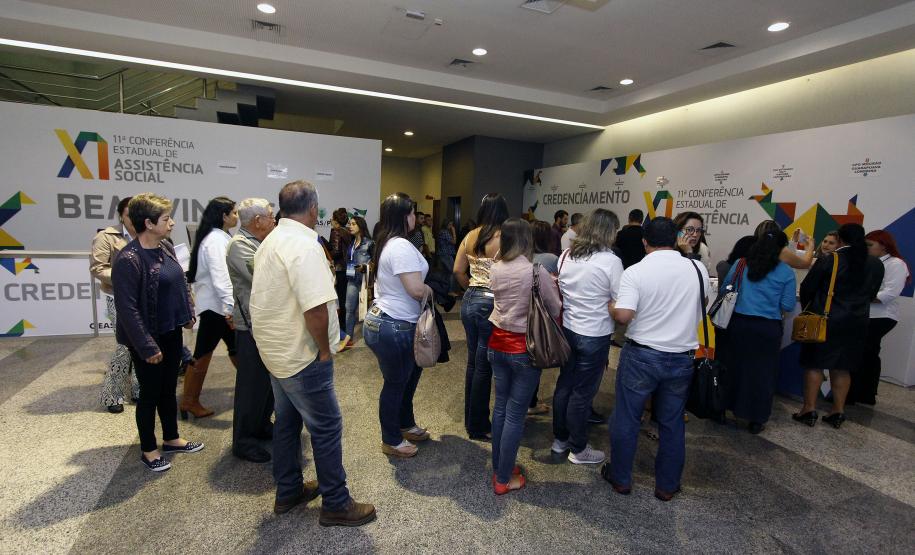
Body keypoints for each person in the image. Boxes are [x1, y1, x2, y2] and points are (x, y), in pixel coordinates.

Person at [249, 180, 375, 526]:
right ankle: (336, 502)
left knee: (287, 423)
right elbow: (317, 310)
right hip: (301, 355)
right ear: (313, 210)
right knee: (326, 426)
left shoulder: (270, 241)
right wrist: (324, 351)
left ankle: (288, 490)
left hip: (276, 353)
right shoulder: (303, 247)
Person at [602, 217, 710, 501]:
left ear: (644, 241)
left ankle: (621, 478)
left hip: (642, 355)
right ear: (676, 238)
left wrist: (612, 306)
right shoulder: (698, 268)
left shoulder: (636, 271)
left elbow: (624, 315)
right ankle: (667, 486)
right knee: (672, 422)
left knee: (627, 417)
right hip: (682, 357)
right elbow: (704, 303)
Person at [113, 193, 203, 472]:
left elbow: (179, 282)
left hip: (171, 331)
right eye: (166, 218)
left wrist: (187, 313)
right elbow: (127, 309)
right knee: (150, 394)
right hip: (148, 337)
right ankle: (149, 450)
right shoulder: (129, 259)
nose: (172, 223)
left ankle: (172, 438)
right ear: (149, 223)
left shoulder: (164, 246)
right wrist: (147, 346)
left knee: (167, 389)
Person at [487, 218, 561, 494]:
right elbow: (553, 308)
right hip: (524, 348)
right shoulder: (535, 271)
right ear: (527, 240)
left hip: (497, 344)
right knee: (515, 414)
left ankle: (500, 467)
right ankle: (504, 479)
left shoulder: (495, 268)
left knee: (501, 408)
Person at [792, 223, 884, 429]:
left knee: (814, 363)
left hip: (826, 320)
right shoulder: (875, 264)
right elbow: (871, 294)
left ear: (840, 240)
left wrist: (812, 306)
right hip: (857, 323)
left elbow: (808, 288)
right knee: (843, 367)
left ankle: (809, 409)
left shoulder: (831, 259)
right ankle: (837, 411)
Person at [363, 193, 432, 458]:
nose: (416, 217)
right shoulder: (400, 246)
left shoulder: (389, 242)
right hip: (394, 324)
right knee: (396, 383)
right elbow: (415, 289)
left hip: (391, 321)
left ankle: (405, 424)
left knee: (407, 379)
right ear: (405, 216)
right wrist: (432, 290)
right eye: (413, 212)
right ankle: (391, 439)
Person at [552, 209, 623, 465]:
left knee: (564, 386)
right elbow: (619, 299)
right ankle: (579, 449)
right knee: (582, 394)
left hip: (568, 330)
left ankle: (560, 440)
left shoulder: (567, 255)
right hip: (595, 334)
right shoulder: (611, 261)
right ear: (608, 231)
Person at [716, 221, 796, 434]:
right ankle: (756, 418)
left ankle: (722, 408)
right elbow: (787, 305)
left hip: (737, 325)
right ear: (781, 248)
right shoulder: (786, 272)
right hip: (767, 330)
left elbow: (726, 289)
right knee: (762, 374)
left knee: (730, 368)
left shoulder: (742, 263)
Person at [454, 193, 509, 440]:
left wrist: (472, 290)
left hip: (469, 300)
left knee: (473, 363)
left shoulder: (470, 235)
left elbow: (458, 270)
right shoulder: (504, 237)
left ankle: (471, 420)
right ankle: (478, 425)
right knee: (484, 366)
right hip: (491, 302)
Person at [226, 198, 276, 463]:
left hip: (265, 325)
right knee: (250, 386)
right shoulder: (240, 246)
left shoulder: (261, 242)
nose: (274, 219)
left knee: (266, 384)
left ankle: (261, 425)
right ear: (257, 221)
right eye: (270, 215)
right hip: (250, 327)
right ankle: (243, 441)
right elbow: (266, 278)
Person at [184, 196, 238, 419]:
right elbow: (221, 277)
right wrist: (229, 308)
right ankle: (189, 401)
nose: (236, 217)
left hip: (218, 307)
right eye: (234, 213)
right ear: (224, 216)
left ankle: (254, 393)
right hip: (217, 309)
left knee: (238, 350)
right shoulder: (216, 240)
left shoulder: (219, 236)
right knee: (203, 354)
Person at [848, 230, 910, 405]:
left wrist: (860, 296)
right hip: (865, 313)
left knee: (866, 352)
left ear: (883, 245)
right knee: (866, 352)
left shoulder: (896, 264)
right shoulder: (869, 262)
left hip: (881, 315)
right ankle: (861, 393)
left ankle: (861, 393)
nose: (866, 248)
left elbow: (889, 293)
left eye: (870, 245)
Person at [90, 196, 140, 414]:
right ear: (121, 215)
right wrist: (127, 277)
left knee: (142, 344)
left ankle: (139, 389)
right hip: (117, 297)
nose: (133, 219)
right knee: (124, 346)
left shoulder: (149, 234)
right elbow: (97, 268)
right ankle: (112, 394)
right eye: (129, 214)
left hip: (144, 300)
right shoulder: (107, 236)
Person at [343, 215, 374, 346]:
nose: (350, 226)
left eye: (353, 224)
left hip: (365, 282)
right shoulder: (351, 243)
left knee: (367, 311)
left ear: (360, 226)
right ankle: (348, 337)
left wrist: (365, 267)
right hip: (352, 280)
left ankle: (371, 337)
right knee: (349, 308)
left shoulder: (369, 243)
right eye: (350, 224)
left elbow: (376, 262)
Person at [330, 208, 353, 342]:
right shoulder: (347, 232)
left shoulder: (336, 232)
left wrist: (324, 248)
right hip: (348, 268)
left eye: (332, 219)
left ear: (335, 221)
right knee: (346, 299)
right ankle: (346, 328)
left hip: (339, 269)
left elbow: (336, 252)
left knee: (341, 301)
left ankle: (341, 330)